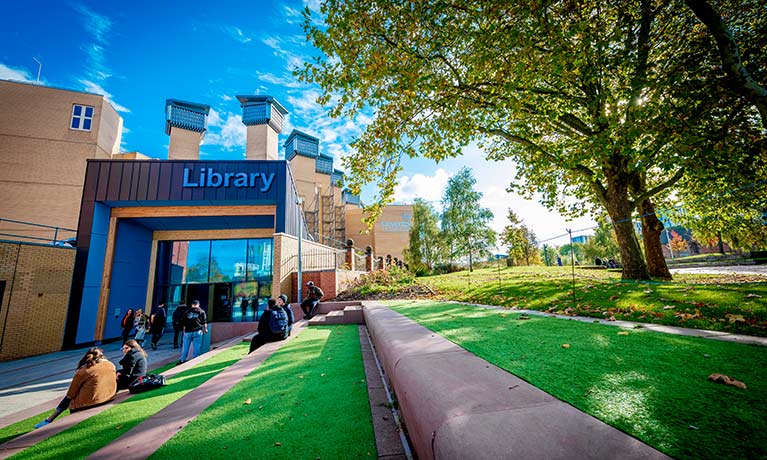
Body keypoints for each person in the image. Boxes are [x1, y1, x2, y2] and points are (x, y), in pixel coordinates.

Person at [34, 348, 117, 429]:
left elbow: (71, 394)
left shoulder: (84, 371)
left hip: (86, 404)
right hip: (108, 397)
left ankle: (49, 419)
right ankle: (49, 419)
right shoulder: (111, 365)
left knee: (68, 398)